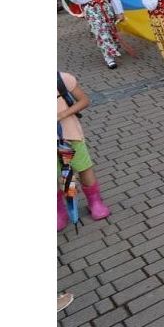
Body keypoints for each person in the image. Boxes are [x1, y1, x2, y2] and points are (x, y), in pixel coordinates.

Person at [58, 71, 111, 229]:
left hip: (71, 136)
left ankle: (95, 201)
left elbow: (84, 100)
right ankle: (59, 210)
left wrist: (63, 114)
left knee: (84, 168)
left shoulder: (62, 79)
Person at [66, 0, 124, 69]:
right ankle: (109, 58)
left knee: (110, 30)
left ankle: (113, 46)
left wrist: (118, 11)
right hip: (91, 11)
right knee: (100, 31)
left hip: (106, 8)